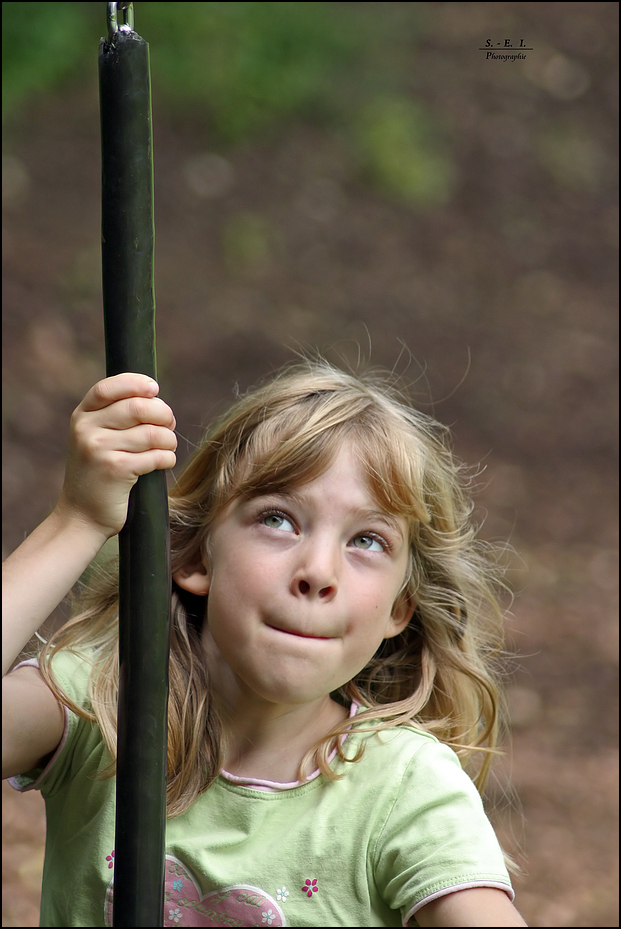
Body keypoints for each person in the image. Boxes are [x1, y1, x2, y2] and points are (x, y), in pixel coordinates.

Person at [2, 360, 527, 927]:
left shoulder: (403, 790)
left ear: (400, 607)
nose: (319, 571)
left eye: (368, 541)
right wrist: (77, 519)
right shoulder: (101, 706)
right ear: (196, 556)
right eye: (278, 520)